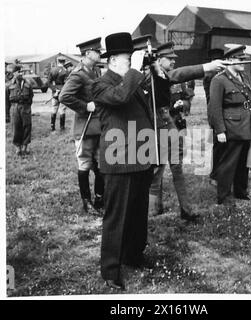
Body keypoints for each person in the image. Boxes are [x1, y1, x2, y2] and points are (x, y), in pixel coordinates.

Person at [91, 32, 155, 290]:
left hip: (141, 156)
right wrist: (135, 71)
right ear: (114, 60)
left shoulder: (130, 79)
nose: (132, 62)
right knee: (117, 216)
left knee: (138, 213)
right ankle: (110, 269)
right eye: (128, 58)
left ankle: (133, 255)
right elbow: (119, 97)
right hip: (119, 159)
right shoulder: (101, 85)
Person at [147, 42, 225, 220]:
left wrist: (184, 105)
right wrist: (206, 67)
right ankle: (153, 210)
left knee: (177, 169)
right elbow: (177, 74)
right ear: (158, 60)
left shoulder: (163, 76)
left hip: (172, 125)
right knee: (156, 170)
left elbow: (185, 92)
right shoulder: (149, 77)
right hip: (156, 128)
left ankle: (186, 210)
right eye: (170, 59)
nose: (174, 62)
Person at [59, 38, 104, 214]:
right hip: (85, 127)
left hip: (99, 126)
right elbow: (64, 96)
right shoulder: (78, 74)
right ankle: (87, 202)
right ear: (87, 54)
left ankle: (100, 198)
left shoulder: (96, 71)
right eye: (98, 51)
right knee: (84, 164)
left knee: (102, 164)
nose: (100, 54)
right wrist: (85, 106)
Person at [208, 45, 251, 205]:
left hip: (246, 127)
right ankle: (224, 196)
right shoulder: (219, 80)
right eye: (239, 59)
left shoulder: (244, 77)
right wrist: (220, 130)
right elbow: (214, 107)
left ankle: (241, 192)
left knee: (243, 163)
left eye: (244, 59)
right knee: (228, 163)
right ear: (229, 60)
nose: (243, 62)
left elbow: (248, 100)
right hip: (231, 128)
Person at [6, 64, 34, 156]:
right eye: (19, 72)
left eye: (22, 72)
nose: (21, 74)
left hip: (25, 107)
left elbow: (31, 97)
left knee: (27, 127)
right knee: (16, 127)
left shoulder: (28, 84)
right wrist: (7, 115)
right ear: (14, 73)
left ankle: (25, 147)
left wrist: (27, 107)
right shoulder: (9, 85)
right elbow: (6, 102)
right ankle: (18, 148)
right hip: (15, 108)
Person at [48, 57, 68, 131]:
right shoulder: (65, 71)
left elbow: (48, 83)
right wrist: (61, 90)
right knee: (62, 109)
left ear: (57, 61)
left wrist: (54, 89)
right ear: (64, 62)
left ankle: (52, 127)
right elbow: (67, 83)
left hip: (55, 92)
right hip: (63, 91)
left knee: (54, 108)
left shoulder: (52, 70)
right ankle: (62, 127)